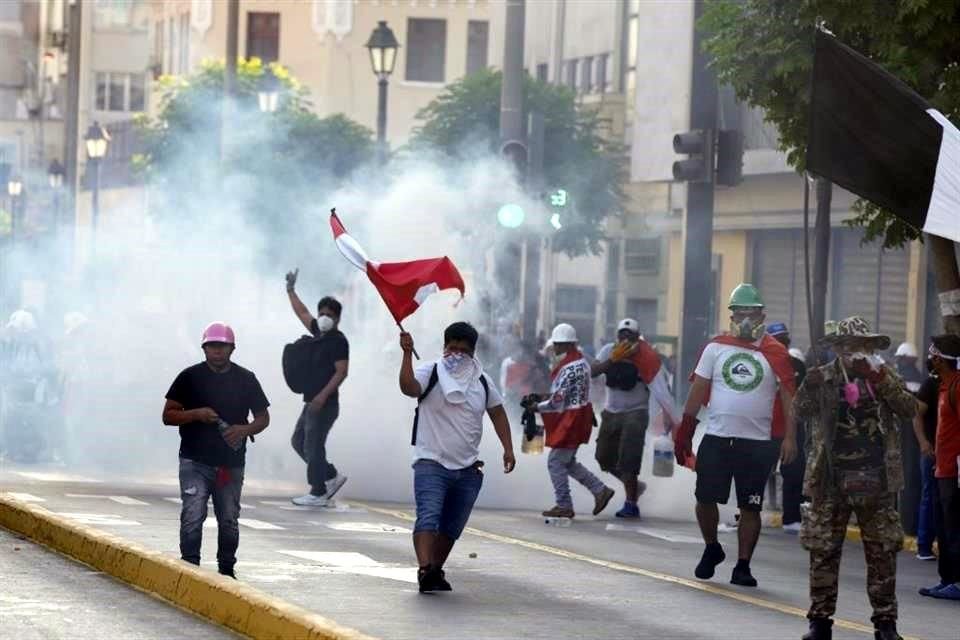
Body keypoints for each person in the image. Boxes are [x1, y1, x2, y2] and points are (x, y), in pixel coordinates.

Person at [795, 317, 916, 640]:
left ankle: (886, 624)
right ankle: (819, 623)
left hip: (876, 478)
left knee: (882, 553)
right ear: (838, 349)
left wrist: (879, 380)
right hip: (831, 478)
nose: (857, 353)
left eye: (864, 346)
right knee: (824, 551)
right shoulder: (824, 376)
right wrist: (810, 384)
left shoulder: (883, 376)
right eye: (850, 347)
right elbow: (800, 410)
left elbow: (909, 409)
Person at [675, 284, 797, 588]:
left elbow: (789, 398)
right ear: (731, 314)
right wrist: (685, 429)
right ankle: (712, 547)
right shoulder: (716, 348)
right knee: (704, 498)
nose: (744, 317)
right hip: (717, 437)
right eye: (739, 311)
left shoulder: (776, 352)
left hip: (758, 443)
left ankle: (743, 565)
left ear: (762, 315)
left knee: (750, 505)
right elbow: (698, 389)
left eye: (750, 312)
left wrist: (790, 437)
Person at [398, 322, 516, 593]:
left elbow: (497, 412)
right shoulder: (432, 371)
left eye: (464, 350)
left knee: (451, 526)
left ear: (473, 352)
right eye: (452, 348)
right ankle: (424, 569)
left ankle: (436, 570)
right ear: (444, 347)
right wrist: (406, 355)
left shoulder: (482, 381)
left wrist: (507, 448)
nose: (457, 354)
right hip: (431, 463)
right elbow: (409, 387)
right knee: (428, 517)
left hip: (468, 469)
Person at [162, 322, 270, 579]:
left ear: (232, 349)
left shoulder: (246, 379)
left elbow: (263, 418)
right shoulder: (188, 377)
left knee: (229, 519)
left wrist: (244, 430)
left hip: (230, 465)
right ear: (204, 348)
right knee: (192, 514)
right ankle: (189, 570)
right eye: (212, 346)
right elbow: (168, 415)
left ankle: (226, 571)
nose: (217, 351)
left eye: (222, 346)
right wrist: (196, 414)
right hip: (194, 461)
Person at [591, 318, 679, 518]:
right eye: (622, 334)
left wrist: (667, 414)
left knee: (629, 459)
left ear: (637, 337)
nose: (625, 338)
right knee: (603, 457)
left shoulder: (646, 356)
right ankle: (635, 486)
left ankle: (631, 503)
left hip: (636, 412)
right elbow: (593, 371)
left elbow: (661, 388)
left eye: (630, 335)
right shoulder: (607, 351)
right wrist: (612, 359)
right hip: (611, 412)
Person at [525, 323, 614, 519]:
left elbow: (557, 401)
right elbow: (564, 395)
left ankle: (564, 505)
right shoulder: (581, 363)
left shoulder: (568, 368)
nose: (553, 350)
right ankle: (600, 490)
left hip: (570, 419)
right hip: (579, 415)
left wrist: (536, 407)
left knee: (555, 462)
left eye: (556, 345)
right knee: (567, 462)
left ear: (565, 345)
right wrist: (541, 397)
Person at [285, 269, 349, 507]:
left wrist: (323, 396)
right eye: (321, 312)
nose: (323, 317)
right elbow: (301, 312)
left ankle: (318, 491)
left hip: (325, 403)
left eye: (329, 314)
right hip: (311, 401)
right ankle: (331, 475)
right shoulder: (318, 334)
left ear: (337, 319)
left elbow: (342, 371)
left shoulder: (338, 341)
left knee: (313, 444)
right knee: (298, 441)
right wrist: (291, 290)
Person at [919, 334, 960, 601]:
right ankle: (947, 579)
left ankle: (956, 581)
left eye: (935, 354)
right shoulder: (944, 386)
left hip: (954, 472)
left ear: (942, 359)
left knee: (955, 528)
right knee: (944, 527)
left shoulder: (957, 387)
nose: (931, 358)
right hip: (941, 468)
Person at [766, 322, 808, 534]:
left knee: (794, 473)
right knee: (754, 474)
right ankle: (742, 515)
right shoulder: (760, 363)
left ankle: (791, 517)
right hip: (764, 427)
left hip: (791, 428)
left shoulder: (797, 366)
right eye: (777, 340)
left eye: (785, 340)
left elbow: (804, 396)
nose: (782, 344)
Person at [914, 359, 940, 562]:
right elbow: (917, 414)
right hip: (932, 450)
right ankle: (924, 546)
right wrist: (923, 442)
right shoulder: (931, 384)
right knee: (929, 495)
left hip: (949, 451)